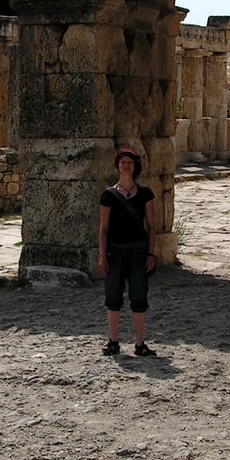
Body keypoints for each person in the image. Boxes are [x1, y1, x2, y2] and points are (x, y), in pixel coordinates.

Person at [97, 146, 157, 357]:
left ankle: (140, 344)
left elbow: (151, 226)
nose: (126, 165)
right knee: (112, 295)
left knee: (139, 296)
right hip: (115, 250)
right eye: (122, 162)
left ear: (135, 166)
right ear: (117, 166)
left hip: (138, 251)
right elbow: (103, 228)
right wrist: (102, 255)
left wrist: (151, 253)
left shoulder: (146, 194)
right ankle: (113, 341)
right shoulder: (108, 195)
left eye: (130, 162)